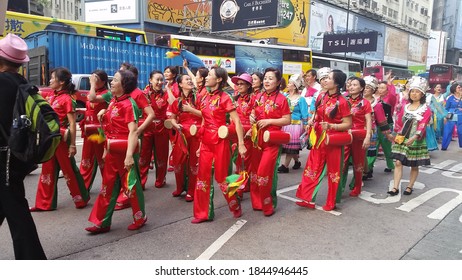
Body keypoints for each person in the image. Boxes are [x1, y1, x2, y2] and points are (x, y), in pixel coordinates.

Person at [0, 33, 47, 259]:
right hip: (19, 155)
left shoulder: (2, 83)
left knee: (17, 211)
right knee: (9, 203)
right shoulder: (24, 84)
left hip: (4, 159)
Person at [85, 70, 147, 233]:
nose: (112, 82)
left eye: (116, 80)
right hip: (112, 149)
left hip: (125, 149)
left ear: (124, 85)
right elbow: (109, 128)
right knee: (107, 186)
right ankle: (102, 222)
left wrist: (128, 156)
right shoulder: (113, 101)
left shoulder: (129, 104)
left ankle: (140, 217)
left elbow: (133, 132)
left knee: (131, 186)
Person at [192, 67, 247, 223]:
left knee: (223, 178)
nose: (206, 77)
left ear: (218, 80)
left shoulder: (225, 98)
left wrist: (241, 143)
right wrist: (200, 144)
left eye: (210, 75)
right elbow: (203, 120)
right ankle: (203, 213)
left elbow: (236, 121)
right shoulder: (203, 97)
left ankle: (235, 205)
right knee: (202, 179)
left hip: (221, 141)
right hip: (206, 143)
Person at [31, 67, 89, 211]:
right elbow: (38, 93)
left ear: (61, 82)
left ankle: (81, 198)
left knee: (69, 170)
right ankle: (44, 204)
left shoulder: (67, 99)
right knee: (47, 170)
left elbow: (72, 124)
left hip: (63, 140)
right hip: (51, 139)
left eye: (52, 78)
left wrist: (73, 145)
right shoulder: (51, 96)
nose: (50, 80)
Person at [296, 69, 352, 211]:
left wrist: (332, 125)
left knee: (334, 172)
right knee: (312, 167)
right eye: (325, 78)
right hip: (318, 137)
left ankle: (331, 201)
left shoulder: (343, 102)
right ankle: (307, 198)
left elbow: (348, 124)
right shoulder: (321, 96)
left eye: (329, 78)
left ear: (337, 83)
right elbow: (316, 114)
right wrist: (311, 121)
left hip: (333, 139)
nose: (325, 80)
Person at [249, 67, 291, 216]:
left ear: (278, 82)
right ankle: (257, 202)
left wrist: (269, 121)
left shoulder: (282, 99)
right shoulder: (258, 97)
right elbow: (253, 112)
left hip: (272, 139)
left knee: (263, 173)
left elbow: (287, 119)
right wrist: (252, 117)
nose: (267, 81)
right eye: (265, 78)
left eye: (271, 78)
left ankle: (268, 204)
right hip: (257, 139)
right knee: (254, 173)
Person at [388, 76, 432, 196]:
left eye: (417, 91)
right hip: (401, 137)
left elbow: (422, 125)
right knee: (398, 162)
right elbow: (399, 122)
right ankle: (395, 187)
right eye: (412, 91)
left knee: (414, 164)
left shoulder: (426, 109)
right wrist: (394, 135)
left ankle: (410, 186)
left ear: (422, 94)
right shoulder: (405, 106)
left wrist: (414, 137)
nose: (414, 94)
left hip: (416, 140)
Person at [169, 74, 202, 201]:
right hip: (182, 133)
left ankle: (191, 190)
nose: (190, 81)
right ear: (180, 84)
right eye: (186, 79)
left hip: (196, 133)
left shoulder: (198, 98)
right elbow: (171, 118)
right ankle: (180, 187)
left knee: (194, 162)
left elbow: (205, 115)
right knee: (179, 161)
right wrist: (175, 124)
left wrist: (190, 109)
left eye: (190, 79)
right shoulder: (177, 101)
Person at [337, 77, 372, 198]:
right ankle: (338, 188)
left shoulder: (365, 103)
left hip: (359, 136)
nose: (351, 87)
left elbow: (368, 121)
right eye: (350, 84)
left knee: (358, 163)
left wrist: (368, 137)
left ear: (361, 88)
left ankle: (357, 186)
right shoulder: (343, 100)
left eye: (355, 85)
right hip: (345, 135)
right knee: (342, 163)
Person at [138, 70, 169, 189]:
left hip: (162, 128)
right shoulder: (143, 94)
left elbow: (173, 106)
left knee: (162, 156)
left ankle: (160, 180)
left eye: (162, 80)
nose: (160, 82)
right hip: (147, 128)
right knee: (144, 156)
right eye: (157, 80)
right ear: (150, 80)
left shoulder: (166, 94)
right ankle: (141, 181)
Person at [79, 70, 109, 190]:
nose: (93, 81)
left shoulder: (107, 94)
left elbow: (92, 99)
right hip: (89, 130)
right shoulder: (92, 91)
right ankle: (83, 188)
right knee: (86, 161)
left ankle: (108, 187)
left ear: (103, 81)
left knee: (103, 161)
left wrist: (91, 84)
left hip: (100, 132)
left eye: (95, 79)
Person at [363, 76, 394, 180]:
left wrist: (388, 133)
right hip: (357, 131)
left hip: (372, 131)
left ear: (373, 90)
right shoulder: (356, 101)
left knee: (371, 153)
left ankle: (366, 171)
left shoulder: (377, 104)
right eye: (364, 87)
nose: (365, 89)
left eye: (367, 87)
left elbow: (381, 120)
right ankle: (366, 170)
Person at [278, 74, 308, 173]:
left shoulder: (301, 99)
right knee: (290, 146)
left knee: (290, 146)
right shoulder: (285, 97)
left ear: (295, 86)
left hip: (295, 125)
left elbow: (304, 114)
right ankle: (297, 162)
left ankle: (285, 166)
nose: (288, 84)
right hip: (286, 124)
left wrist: (305, 125)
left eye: (290, 83)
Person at [230, 73, 255, 192]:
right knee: (237, 159)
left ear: (248, 86)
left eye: (242, 84)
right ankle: (240, 182)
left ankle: (243, 184)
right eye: (237, 84)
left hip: (248, 132)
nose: (239, 86)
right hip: (236, 131)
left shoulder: (254, 99)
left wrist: (251, 130)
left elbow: (258, 116)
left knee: (246, 159)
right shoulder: (236, 98)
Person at [441, 82, 462, 150]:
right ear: (454, 89)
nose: (460, 88)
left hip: (460, 115)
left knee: (460, 131)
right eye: (458, 87)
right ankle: (444, 146)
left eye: (460, 87)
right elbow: (446, 108)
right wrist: (445, 117)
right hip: (451, 115)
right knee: (448, 131)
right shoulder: (450, 98)